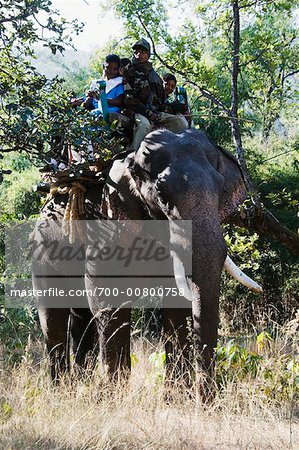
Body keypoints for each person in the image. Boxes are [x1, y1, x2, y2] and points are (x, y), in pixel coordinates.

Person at [122, 38, 188, 151]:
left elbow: (160, 102)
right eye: (136, 52)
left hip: (155, 113)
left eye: (143, 52)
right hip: (137, 112)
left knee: (180, 123)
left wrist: (175, 108)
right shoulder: (129, 71)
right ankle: (132, 157)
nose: (139, 55)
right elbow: (129, 99)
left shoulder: (155, 76)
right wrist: (148, 112)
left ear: (148, 54)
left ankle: (174, 153)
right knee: (144, 125)